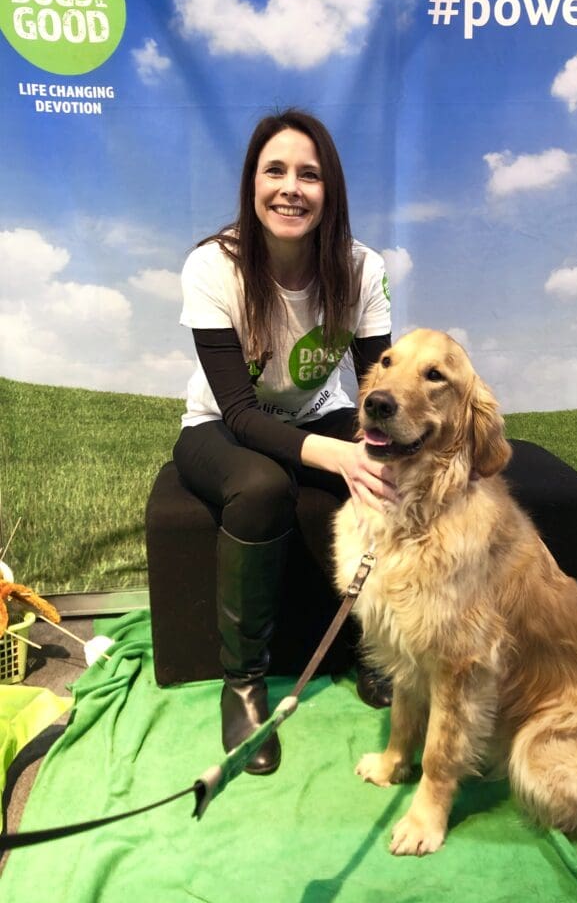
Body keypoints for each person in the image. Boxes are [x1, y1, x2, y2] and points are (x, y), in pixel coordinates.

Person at [173, 109, 395, 776]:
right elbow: (239, 411)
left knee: (382, 472)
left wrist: (377, 451)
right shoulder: (213, 266)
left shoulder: (361, 269)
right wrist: (333, 455)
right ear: (253, 183)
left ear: (330, 191)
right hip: (217, 425)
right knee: (264, 487)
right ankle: (243, 687)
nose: (290, 187)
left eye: (309, 174)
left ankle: (373, 650)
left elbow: (376, 391)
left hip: (316, 411)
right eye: (275, 171)